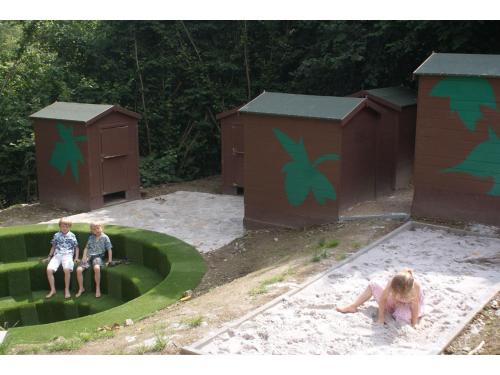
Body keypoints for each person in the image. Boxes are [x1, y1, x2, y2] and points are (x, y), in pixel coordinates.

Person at [336, 269, 424, 327]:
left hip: (406, 306)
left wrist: (414, 323)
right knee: (373, 285)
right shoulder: (393, 282)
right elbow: (383, 299)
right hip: (394, 302)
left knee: (401, 317)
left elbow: (414, 307)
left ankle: (398, 313)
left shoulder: (415, 287)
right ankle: (353, 306)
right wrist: (381, 318)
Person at [44, 218, 79, 299]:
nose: (64, 228)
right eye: (62, 226)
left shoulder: (72, 235)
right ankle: (53, 290)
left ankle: (66, 289)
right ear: (60, 226)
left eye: (66, 226)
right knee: (49, 270)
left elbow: (76, 247)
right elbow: (53, 246)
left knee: (66, 270)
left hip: (68, 255)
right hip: (57, 255)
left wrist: (76, 258)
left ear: (69, 227)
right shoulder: (56, 235)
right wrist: (49, 257)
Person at [75, 223, 112, 298]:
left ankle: (98, 288)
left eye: (98, 228)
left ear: (102, 228)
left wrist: (109, 261)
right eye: (94, 229)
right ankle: (81, 288)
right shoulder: (91, 237)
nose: (97, 230)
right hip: (88, 256)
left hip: (98, 256)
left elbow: (109, 249)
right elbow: (86, 248)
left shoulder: (105, 237)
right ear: (92, 231)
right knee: (78, 270)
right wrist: (84, 256)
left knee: (97, 268)